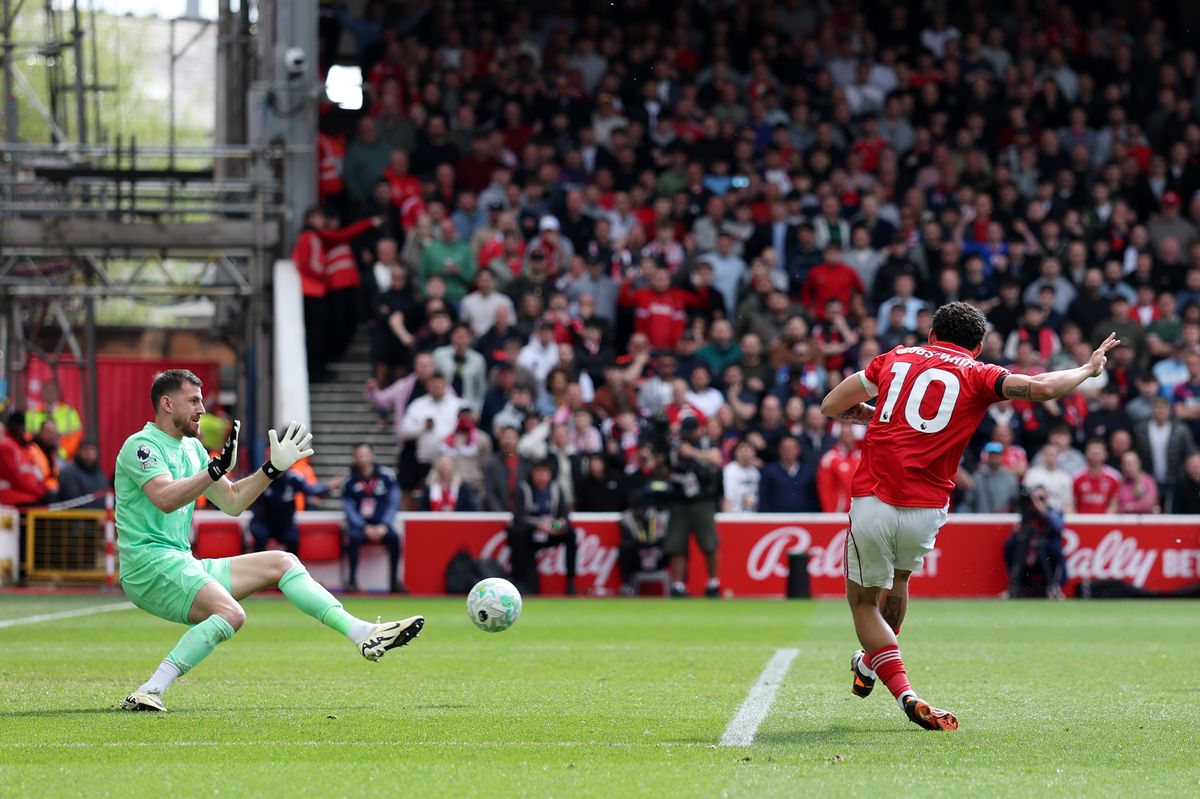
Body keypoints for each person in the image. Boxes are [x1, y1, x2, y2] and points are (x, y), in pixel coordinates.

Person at [821, 301, 1119, 731]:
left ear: (930, 335)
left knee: (865, 602)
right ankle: (869, 664)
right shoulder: (979, 373)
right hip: (927, 506)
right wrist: (1087, 370)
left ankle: (906, 693)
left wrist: (878, 416)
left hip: (875, 495)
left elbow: (833, 404)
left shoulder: (895, 357)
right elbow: (1041, 388)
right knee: (900, 583)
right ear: (977, 346)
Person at [116, 370, 423, 713]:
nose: (202, 409)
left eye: (201, 400)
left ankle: (363, 633)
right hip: (147, 565)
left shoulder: (193, 449)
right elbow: (164, 498)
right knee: (231, 613)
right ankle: (150, 689)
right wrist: (214, 471)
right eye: (193, 401)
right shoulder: (141, 446)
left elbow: (232, 502)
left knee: (283, 562)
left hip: (179, 562)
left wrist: (272, 469)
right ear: (167, 403)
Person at [664, 416, 724, 598]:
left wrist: (692, 453)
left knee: (709, 542)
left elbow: (717, 459)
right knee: (677, 544)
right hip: (679, 501)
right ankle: (678, 584)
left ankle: (713, 582)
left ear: (698, 430)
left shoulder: (705, 443)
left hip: (702, 500)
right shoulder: (674, 445)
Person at [507, 459, 577, 595]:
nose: (542, 477)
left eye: (545, 473)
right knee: (517, 534)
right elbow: (518, 517)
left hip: (551, 532)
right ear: (532, 474)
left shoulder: (556, 489)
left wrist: (554, 525)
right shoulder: (524, 488)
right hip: (530, 533)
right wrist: (539, 525)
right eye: (538, 473)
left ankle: (570, 581)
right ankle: (520, 582)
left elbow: (564, 517)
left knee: (571, 534)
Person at [342, 443, 405, 594]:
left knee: (395, 538)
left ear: (372, 456)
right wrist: (364, 527)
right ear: (354, 457)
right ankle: (351, 580)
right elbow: (348, 508)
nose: (363, 459)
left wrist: (384, 524)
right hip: (360, 527)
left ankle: (394, 581)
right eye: (359, 455)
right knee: (353, 538)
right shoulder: (349, 481)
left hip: (382, 524)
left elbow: (393, 502)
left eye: (365, 455)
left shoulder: (386, 477)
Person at [248, 468, 332, 554]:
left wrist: (329, 487)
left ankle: (291, 565)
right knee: (260, 535)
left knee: (293, 539)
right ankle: (258, 564)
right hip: (262, 522)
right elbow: (244, 490)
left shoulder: (293, 478)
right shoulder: (261, 476)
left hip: (284, 524)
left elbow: (311, 489)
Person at [1003, 487, 1067, 598]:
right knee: (1010, 545)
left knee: (1055, 549)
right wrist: (1018, 529)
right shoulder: (1027, 513)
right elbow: (1018, 532)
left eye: (1041, 498)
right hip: (1028, 552)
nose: (1037, 502)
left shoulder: (1053, 511)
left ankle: (1055, 587)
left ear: (1047, 499)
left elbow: (1059, 526)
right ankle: (1014, 587)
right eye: (1035, 499)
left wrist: (1043, 511)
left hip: (1046, 552)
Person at [616, 489, 669, 595]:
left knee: (673, 546)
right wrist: (644, 547)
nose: (639, 510)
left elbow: (665, 538)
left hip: (658, 555)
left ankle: (677, 584)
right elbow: (629, 541)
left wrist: (653, 547)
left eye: (641, 507)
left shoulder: (659, 515)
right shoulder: (626, 518)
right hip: (638, 556)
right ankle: (626, 584)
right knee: (624, 547)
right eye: (636, 508)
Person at [26, 381, 83, 461]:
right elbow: (27, 436)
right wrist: (35, 453)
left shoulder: (69, 413)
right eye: (47, 391)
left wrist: (63, 453)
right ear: (42, 393)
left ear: (58, 393)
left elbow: (76, 436)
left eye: (52, 391)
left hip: (62, 457)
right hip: (37, 457)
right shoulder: (32, 414)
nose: (50, 394)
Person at [960, 442, 1020, 513]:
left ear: (1002, 456)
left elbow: (1015, 502)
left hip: (1004, 521)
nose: (994, 457)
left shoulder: (1010, 478)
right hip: (982, 520)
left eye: (997, 454)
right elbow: (968, 502)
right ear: (987, 456)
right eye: (991, 454)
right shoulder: (977, 477)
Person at [1072, 438, 1121, 513]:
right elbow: (1072, 503)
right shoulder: (1076, 476)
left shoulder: (1114, 477)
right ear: (1086, 454)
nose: (1095, 452)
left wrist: (1104, 521)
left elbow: (1114, 503)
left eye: (1099, 451)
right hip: (1082, 521)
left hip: (1105, 522)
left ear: (1105, 454)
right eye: (1092, 450)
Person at [57, 441, 108, 509]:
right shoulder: (68, 473)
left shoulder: (99, 474)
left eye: (93, 452)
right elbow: (73, 500)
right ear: (79, 452)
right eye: (86, 451)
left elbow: (104, 495)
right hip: (75, 517)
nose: (89, 455)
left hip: (99, 517)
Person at [722, 439, 760, 512]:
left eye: (749, 450)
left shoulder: (755, 472)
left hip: (752, 513)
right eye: (743, 450)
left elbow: (757, 493)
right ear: (736, 453)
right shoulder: (729, 470)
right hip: (734, 512)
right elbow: (728, 496)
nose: (746, 453)